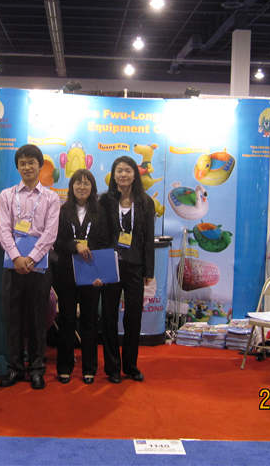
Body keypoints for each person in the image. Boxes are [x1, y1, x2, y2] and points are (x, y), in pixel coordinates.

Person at [0, 144, 60, 390]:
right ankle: (14, 367)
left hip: (40, 265)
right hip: (12, 265)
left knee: (37, 318)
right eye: (22, 163)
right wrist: (16, 258)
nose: (27, 167)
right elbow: (3, 229)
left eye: (31, 162)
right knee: (12, 318)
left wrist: (31, 258)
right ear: (18, 167)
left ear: (40, 165)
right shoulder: (6, 195)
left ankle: (36, 368)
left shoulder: (51, 198)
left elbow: (50, 233)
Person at [99, 156, 155, 383]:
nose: (123, 174)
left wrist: (149, 271)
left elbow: (148, 238)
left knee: (133, 318)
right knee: (109, 317)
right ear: (113, 175)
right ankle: (112, 368)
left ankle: (131, 366)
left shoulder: (146, 202)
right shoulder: (104, 201)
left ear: (135, 175)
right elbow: (99, 235)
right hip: (110, 265)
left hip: (135, 267)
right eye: (119, 170)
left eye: (128, 170)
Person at [53, 169, 107, 385]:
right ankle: (64, 366)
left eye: (86, 183)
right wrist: (75, 245)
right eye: (78, 183)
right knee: (66, 319)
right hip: (66, 271)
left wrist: (92, 254)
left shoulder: (100, 212)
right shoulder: (62, 211)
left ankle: (89, 368)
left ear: (92, 187)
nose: (82, 187)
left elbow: (105, 241)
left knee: (89, 320)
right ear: (71, 186)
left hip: (91, 271)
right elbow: (57, 240)